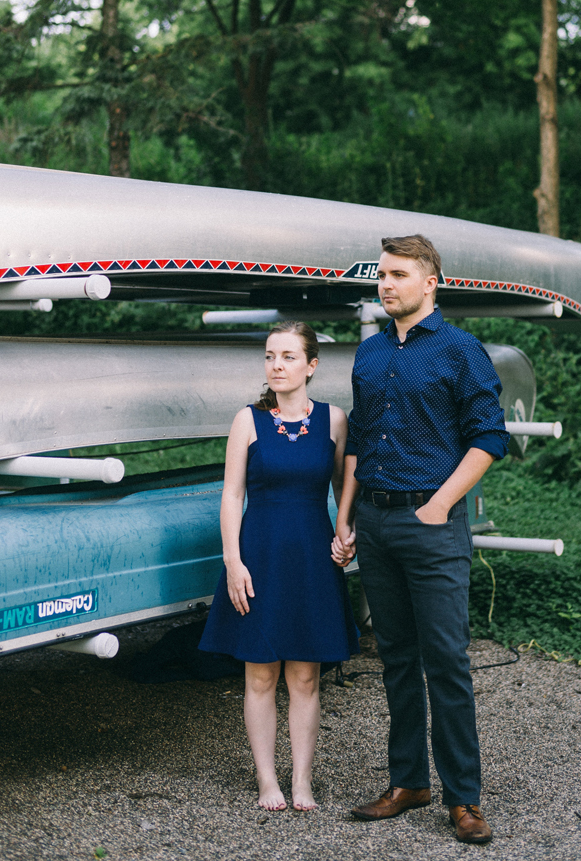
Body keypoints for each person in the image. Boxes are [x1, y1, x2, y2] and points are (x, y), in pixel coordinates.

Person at [332, 235, 509, 845]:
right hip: (375, 524)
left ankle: (464, 797)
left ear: (430, 282)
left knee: (446, 663)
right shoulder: (370, 354)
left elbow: (489, 438)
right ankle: (409, 781)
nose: (385, 285)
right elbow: (356, 440)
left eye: (398, 275)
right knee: (397, 660)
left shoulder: (461, 351)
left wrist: (439, 505)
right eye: (381, 275)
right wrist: (346, 518)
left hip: (432, 523)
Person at [200, 321, 359, 812]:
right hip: (259, 556)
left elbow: (342, 490)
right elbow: (231, 494)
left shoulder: (334, 420)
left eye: (289, 357)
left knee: (306, 676)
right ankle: (268, 779)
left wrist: (346, 533)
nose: (276, 365)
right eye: (270, 356)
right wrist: (233, 561)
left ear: (311, 365)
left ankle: (302, 781)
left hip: (311, 558)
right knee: (260, 675)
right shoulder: (247, 420)